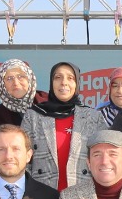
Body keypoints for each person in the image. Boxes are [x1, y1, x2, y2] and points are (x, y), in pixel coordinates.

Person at [24, 61, 106, 190]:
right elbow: (23, 160)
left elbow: (104, 159)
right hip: (42, 194)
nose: (64, 82)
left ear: (77, 84)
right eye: (58, 77)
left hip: (81, 193)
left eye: (70, 78)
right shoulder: (33, 116)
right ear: (51, 82)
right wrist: (31, 192)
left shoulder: (93, 117)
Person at [0, 58, 43, 128]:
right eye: (9, 78)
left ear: (29, 79)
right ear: (2, 84)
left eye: (21, 76)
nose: (16, 83)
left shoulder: (46, 101)